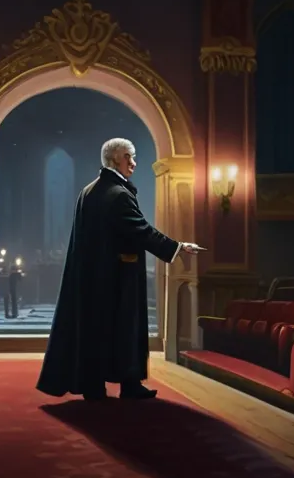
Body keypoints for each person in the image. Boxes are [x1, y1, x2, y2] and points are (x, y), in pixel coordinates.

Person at [36, 138, 203, 401]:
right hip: (119, 280)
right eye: (129, 157)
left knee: (94, 331)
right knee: (125, 331)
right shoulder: (119, 194)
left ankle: (93, 386)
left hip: (92, 279)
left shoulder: (88, 191)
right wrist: (178, 247)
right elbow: (141, 230)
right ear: (115, 159)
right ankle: (130, 384)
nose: (134, 163)